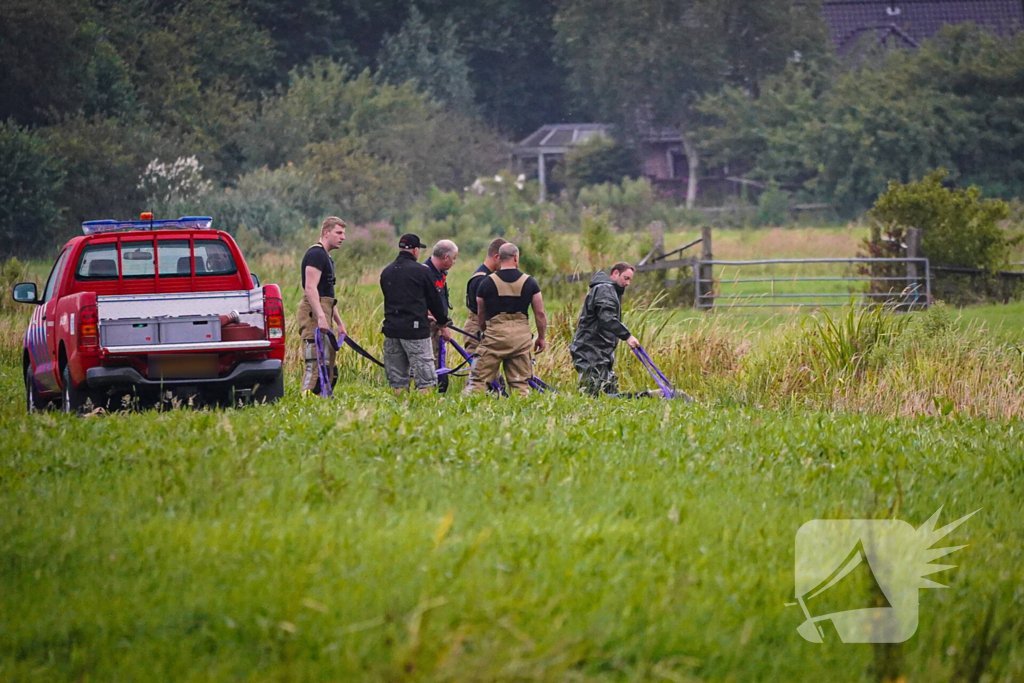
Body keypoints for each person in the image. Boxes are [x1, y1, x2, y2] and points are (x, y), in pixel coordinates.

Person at [467, 242, 547, 396]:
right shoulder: (530, 282)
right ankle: (522, 408)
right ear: (516, 257)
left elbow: (480, 313)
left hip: (494, 337)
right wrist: (541, 337)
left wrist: (484, 331)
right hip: (520, 339)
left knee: (478, 381)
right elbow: (540, 313)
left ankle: (470, 406)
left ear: (499, 257)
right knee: (520, 384)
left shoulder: (486, 282)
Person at [380, 233, 452, 394]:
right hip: (415, 331)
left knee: (398, 381)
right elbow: (434, 301)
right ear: (415, 250)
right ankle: (425, 407)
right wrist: (442, 322)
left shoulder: (386, 272)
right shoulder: (421, 272)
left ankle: (400, 406)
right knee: (426, 380)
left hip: (392, 331)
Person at [569, 262, 640, 396]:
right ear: (615, 273)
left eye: (630, 280)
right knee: (590, 394)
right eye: (626, 278)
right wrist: (627, 336)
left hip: (601, 352)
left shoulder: (609, 290)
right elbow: (607, 317)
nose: (628, 283)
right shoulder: (604, 289)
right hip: (590, 350)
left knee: (609, 394)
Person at [298, 216, 348, 394]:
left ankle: (322, 400)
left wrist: (339, 323)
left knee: (327, 365)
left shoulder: (326, 257)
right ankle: (306, 401)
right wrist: (320, 316)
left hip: (324, 310)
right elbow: (310, 288)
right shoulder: (316, 254)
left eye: (343, 233)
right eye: (339, 233)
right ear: (326, 233)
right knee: (315, 363)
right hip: (313, 314)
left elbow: (327, 295)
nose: (343, 237)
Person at [463, 237, 507, 355]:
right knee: (477, 365)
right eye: (504, 260)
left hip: (483, 327)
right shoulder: (482, 279)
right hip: (477, 328)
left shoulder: (488, 276)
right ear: (496, 257)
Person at [425, 240, 458, 392]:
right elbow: (424, 302)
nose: (454, 262)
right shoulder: (425, 273)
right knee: (428, 362)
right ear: (446, 257)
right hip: (428, 327)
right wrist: (442, 326)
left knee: (439, 361)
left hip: (438, 325)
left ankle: (439, 392)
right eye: (454, 258)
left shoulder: (441, 274)